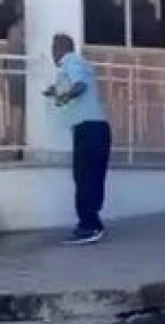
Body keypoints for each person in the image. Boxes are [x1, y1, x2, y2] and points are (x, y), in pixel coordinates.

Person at [42, 33, 111, 245]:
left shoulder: (70, 61)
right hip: (95, 128)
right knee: (91, 177)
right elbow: (77, 84)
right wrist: (56, 91)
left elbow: (80, 86)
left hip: (89, 129)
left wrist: (64, 96)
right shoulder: (79, 64)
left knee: (84, 177)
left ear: (59, 48)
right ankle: (94, 223)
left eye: (53, 48)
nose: (52, 53)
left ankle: (88, 227)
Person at [3, 0, 25, 155]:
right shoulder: (19, 30)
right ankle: (17, 144)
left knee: (17, 110)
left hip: (17, 75)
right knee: (19, 110)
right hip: (20, 75)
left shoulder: (14, 29)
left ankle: (16, 141)